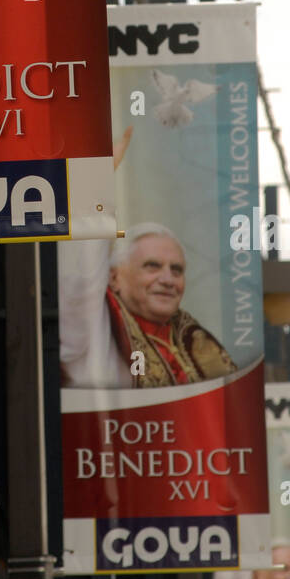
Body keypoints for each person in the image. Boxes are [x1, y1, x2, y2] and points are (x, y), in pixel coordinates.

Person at [59, 130, 236, 388]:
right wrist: (96, 182)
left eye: (177, 270)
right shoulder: (94, 327)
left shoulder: (193, 341)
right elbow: (80, 279)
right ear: (115, 277)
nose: (168, 279)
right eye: (152, 266)